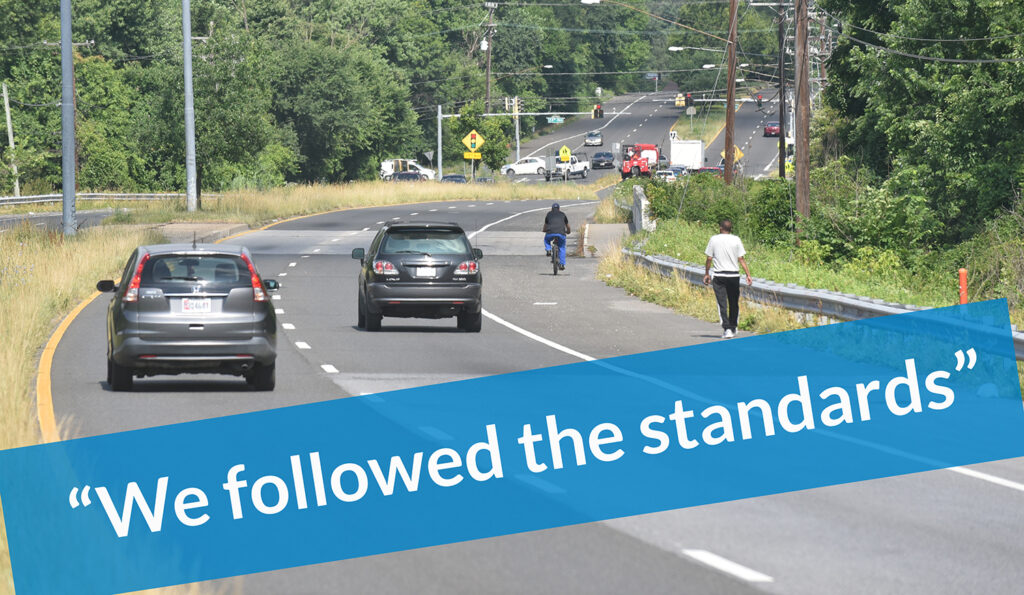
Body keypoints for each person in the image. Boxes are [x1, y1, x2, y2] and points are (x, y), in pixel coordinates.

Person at [703, 219, 752, 339]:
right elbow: (741, 258)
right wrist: (748, 275)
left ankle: (727, 328)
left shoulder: (714, 239)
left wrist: (707, 273)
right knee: (733, 302)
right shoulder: (736, 239)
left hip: (719, 275)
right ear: (731, 229)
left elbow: (709, 258)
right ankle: (733, 326)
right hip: (733, 275)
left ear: (720, 228)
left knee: (722, 303)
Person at [543, 203, 570, 270]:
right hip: (561, 233)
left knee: (546, 240)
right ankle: (562, 264)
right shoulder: (563, 214)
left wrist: (544, 230)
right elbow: (567, 225)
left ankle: (548, 250)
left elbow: (545, 225)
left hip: (550, 232)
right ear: (559, 209)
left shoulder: (549, 214)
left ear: (552, 209)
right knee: (562, 247)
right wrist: (568, 231)